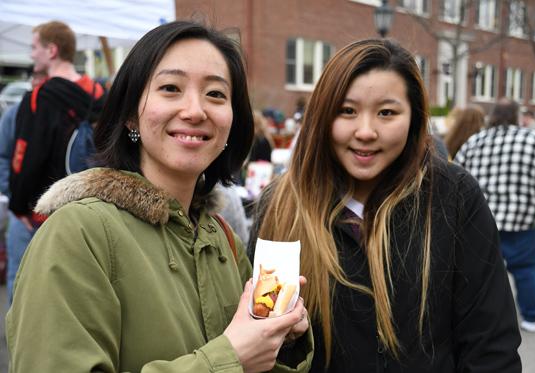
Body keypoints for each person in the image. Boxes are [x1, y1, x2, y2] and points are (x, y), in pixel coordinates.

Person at [7, 21, 312, 372]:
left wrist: (279, 339)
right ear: (130, 117)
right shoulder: (77, 234)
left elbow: (247, 359)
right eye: (170, 88)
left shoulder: (223, 239)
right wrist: (228, 359)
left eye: (216, 94)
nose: (195, 111)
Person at [248, 39, 521, 372]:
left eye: (387, 113)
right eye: (347, 111)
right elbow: (261, 345)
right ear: (322, 116)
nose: (366, 131)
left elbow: (491, 346)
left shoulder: (455, 197)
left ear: (414, 117)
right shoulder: (281, 206)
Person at [455, 98, 535, 333]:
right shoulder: (533, 140)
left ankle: (476, 318)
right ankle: (532, 317)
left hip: (481, 219)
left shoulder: (475, 141)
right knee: (525, 270)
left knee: (479, 271)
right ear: (516, 116)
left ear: (492, 116)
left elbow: (459, 176)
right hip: (523, 219)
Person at [8, 21, 105, 249]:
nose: (32, 55)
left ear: (51, 51)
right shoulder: (99, 93)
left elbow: (27, 155)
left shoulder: (39, 97)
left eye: (34, 48)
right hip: (92, 208)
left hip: (47, 212)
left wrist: (19, 204)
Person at [0, 69, 47, 304]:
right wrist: (14, 197)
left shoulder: (63, 113)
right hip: (22, 215)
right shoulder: (16, 114)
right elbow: (3, 156)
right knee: (17, 275)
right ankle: (15, 335)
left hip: (52, 214)